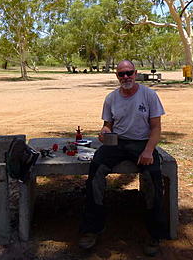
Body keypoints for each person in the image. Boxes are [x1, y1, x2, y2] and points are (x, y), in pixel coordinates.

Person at [79, 60, 166, 256]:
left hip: (142, 142)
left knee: (153, 177)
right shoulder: (111, 98)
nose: (126, 77)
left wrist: (148, 151)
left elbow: (156, 128)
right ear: (117, 77)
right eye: (121, 74)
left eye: (129, 73)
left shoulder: (149, 95)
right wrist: (104, 131)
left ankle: (155, 233)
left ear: (136, 73)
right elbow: (108, 124)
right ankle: (92, 228)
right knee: (96, 171)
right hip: (117, 142)